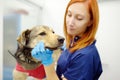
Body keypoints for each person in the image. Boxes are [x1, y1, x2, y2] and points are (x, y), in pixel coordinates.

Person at [32, 0, 103, 80]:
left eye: (79, 18)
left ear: (90, 22)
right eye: (69, 15)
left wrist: (47, 62)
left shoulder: (85, 56)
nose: (70, 22)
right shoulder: (75, 42)